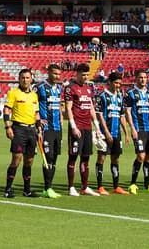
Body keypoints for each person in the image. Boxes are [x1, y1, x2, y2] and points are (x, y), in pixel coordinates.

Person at [2, 68, 41, 199]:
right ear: (19, 79)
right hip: (19, 129)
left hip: (31, 130)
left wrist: (39, 128)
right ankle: (8, 189)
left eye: (27, 78)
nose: (25, 80)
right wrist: (8, 127)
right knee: (16, 159)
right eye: (23, 78)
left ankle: (27, 190)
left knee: (29, 161)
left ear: (31, 79)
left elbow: (36, 113)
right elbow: (6, 110)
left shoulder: (34, 95)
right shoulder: (13, 93)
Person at [62, 62, 99, 197]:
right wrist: (73, 127)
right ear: (77, 74)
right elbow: (68, 108)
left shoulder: (89, 88)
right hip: (77, 127)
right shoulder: (70, 88)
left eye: (87, 75)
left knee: (86, 157)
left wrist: (97, 127)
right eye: (83, 75)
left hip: (87, 127)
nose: (85, 77)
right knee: (73, 156)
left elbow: (91, 108)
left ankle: (85, 187)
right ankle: (71, 187)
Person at [123, 69, 149, 195]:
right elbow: (127, 112)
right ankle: (132, 184)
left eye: (145, 77)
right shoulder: (131, 93)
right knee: (141, 156)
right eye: (140, 77)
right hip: (138, 129)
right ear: (136, 78)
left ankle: (147, 184)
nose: (143, 79)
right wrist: (132, 128)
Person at [94, 72, 131, 195]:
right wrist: (106, 132)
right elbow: (99, 115)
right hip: (105, 133)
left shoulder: (119, 97)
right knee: (101, 157)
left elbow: (122, 116)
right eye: (116, 83)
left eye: (120, 83)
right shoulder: (102, 96)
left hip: (116, 133)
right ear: (109, 82)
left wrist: (126, 133)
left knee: (116, 158)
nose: (118, 85)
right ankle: (100, 186)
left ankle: (116, 186)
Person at [35, 64, 63, 198]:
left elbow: (59, 104)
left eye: (59, 74)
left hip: (57, 128)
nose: (57, 76)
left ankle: (49, 187)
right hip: (46, 128)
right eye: (55, 73)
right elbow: (33, 104)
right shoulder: (40, 87)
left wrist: (61, 117)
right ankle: (47, 188)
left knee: (55, 158)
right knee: (48, 157)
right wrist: (38, 121)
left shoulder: (59, 88)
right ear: (49, 73)